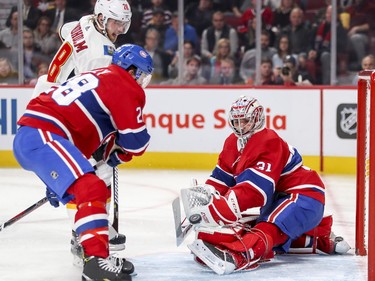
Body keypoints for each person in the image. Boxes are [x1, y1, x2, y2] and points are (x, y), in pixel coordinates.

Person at [13, 43, 154, 281]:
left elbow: (80, 124)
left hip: (38, 134)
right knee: (93, 188)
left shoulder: (99, 76)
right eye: (142, 75)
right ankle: (95, 264)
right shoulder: (125, 84)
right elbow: (136, 142)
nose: (142, 83)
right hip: (45, 133)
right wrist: (119, 154)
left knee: (84, 190)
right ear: (132, 71)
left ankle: (94, 252)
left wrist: (59, 183)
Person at [182, 96, 350, 275]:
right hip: (280, 198)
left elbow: (256, 191)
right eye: (237, 121)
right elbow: (221, 179)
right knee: (251, 226)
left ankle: (242, 256)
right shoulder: (232, 142)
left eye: (245, 121)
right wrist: (205, 198)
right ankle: (318, 239)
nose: (241, 126)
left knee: (266, 228)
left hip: (304, 195)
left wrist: (219, 208)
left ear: (257, 119)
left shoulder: (268, 141)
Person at [31, 0, 133, 267]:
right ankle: (82, 235)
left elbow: (66, 31)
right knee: (91, 176)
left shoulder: (85, 23)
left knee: (87, 173)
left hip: (48, 96)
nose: (120, 29)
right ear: (101, 18)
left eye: (124, 23)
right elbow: (97, 95)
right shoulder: (101, 53)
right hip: (64, 113)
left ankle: (92, 224)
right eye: (115, 23)